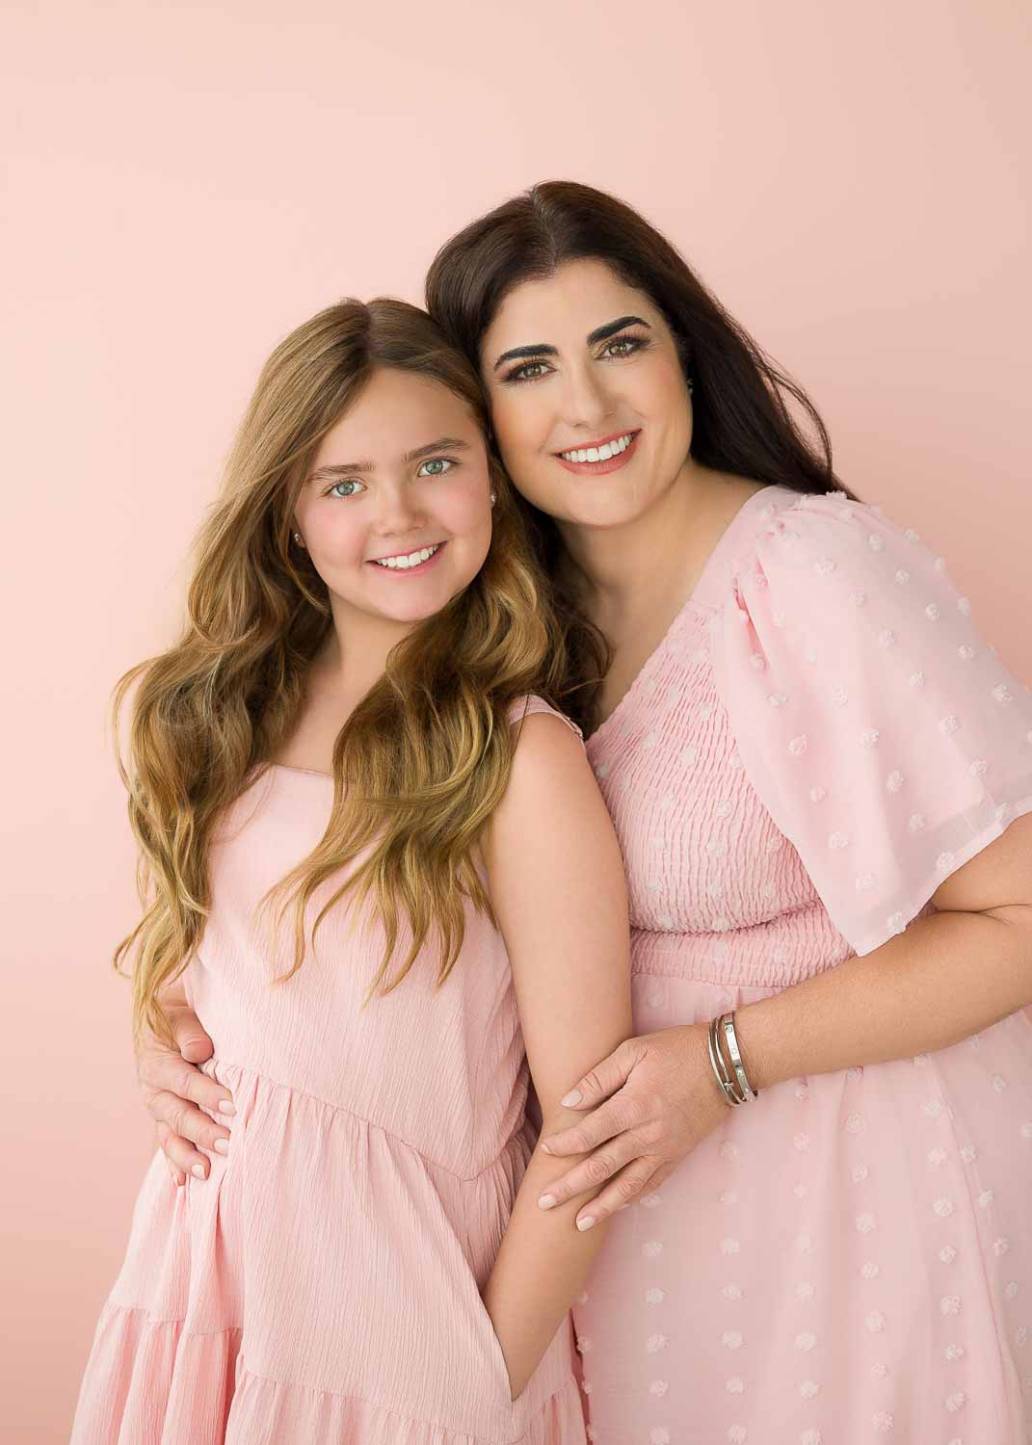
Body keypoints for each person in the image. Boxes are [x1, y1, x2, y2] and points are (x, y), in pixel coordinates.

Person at [139, 185, 1032, 1441]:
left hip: (848, 1215)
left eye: (621, 344)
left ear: (685, 354)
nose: (587, 405)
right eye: (529, 368)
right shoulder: (501, 616)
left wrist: (724, 1059)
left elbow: (1020, 913)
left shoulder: (817, 577)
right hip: (624, 1256)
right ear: (480, 420)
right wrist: (193, 1038)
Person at [71, 296, 632, 1444]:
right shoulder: (216, 720)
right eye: (345, 483)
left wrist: (479, 1382)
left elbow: (589, 1128)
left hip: (410, 1342)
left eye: (437, 463)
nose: (400, 512)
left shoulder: (521, 761)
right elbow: (231, 981)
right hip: (211, 1293)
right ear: (288, 510)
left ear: (492, 479)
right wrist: (160, 1042)